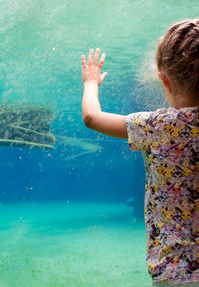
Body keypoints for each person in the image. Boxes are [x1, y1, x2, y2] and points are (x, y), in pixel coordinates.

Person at [81, 19, 199, 286]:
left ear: (164, 80)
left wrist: (91, 83)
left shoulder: (156, 126)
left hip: (175, 272)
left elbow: (91, 117)